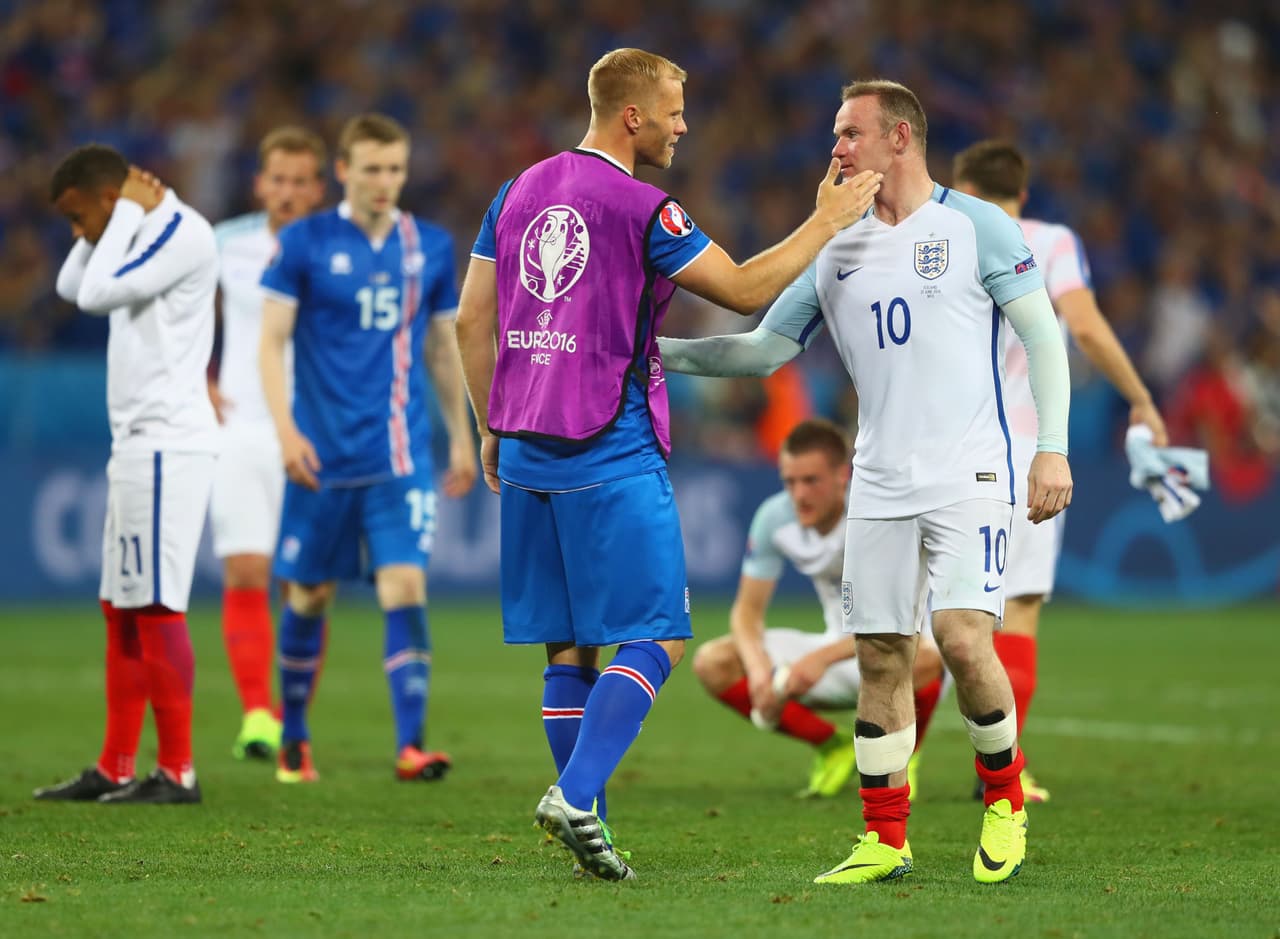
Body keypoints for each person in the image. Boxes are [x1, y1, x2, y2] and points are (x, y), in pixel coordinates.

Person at [454, 48, 880, 882]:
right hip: (609, 447)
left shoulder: (514, 191)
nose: (684, 126)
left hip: (529, 446)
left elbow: (472, 319)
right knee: (659, 634)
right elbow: (746, 290)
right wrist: (825, 220)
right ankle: (576, 793)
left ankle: (590, 824)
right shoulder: (646, 208)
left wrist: (490, 423)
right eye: (675, 111)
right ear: (633, 116)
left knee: (567, 648)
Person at [659, 80, 1073, 885]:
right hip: (879, 480)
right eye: (835, 133)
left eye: (851, 133)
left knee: (961, 637)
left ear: (900, 138)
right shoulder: (836, 247)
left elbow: (1044, 337)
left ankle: (1004, 801)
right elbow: (762, 350)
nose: (837, 148)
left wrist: (1050, 450)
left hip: (971, 472)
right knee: (882, 656)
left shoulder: (975, 226)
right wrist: (656, 355)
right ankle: (885, 838)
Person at [258, 113, 476, 785]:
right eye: (373, 168)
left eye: (396, 169)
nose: (385, 181)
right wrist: (285, 431)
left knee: (405, 583)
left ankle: (411, 745)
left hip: (398, 457)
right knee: (310, 595)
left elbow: (441, 349)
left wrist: (463, 435)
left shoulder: (429, 246)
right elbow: (270, 341)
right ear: (344, 171)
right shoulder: (304, 242)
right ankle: (294, 735)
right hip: (321, 458)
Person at [951, 139, 1169, 802]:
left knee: (940, 616)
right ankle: (1002, 771)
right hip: (1027, 445)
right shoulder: (1050, 241)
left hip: (949, 446)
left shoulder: (945, 234)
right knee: (1016, 612)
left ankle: (895, 761)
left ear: (962, 186)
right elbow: (1087, 328)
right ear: (1022, 191)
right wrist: (1140, 398)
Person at [35, 145, 219, 804]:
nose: (77, 232)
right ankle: (115, 765)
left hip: (168, 442)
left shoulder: (182, 232)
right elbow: (70, 284)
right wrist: (113, 222)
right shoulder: (131, 228)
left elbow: (92, 295)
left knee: (157, 604)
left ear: (109, 201)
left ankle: (177, 770)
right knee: (121, 607)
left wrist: (119, 221)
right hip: (138, 443)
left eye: (78, 217)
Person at [692, 418, 945, 800]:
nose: (799, 494)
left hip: (896, 648)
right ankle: (832, 746)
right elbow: (746, 612)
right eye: (790, 482)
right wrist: (759, 670)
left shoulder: (878, 515)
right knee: (714, 661)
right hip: (840, 652)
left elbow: (900, 622)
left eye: (811, 481)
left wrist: (819, 660)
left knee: (926, 657)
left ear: (843, 476)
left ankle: (906, 757)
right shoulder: (775, 518)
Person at [209, 126, 328, 762]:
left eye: (299, 182)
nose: (286, 192)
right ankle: (257, 714)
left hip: (312, 433)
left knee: (305, 583)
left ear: (318, 188)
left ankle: (292, 718)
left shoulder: (338, 248)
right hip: (239, 428)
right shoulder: (222, 243)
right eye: (277, 180)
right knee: (247, 569)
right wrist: (198, 379)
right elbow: (184, 316)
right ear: (259, 184)